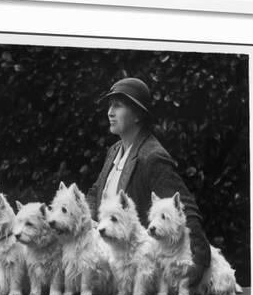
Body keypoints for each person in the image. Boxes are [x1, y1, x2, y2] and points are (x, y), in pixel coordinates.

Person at [86, 77, 211, 283]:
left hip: (138, 270)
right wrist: (84, 216)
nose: (110, 112)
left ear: (137, 115)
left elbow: (185, 208)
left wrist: (199, 263)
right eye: (110, 105)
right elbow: (96, 191)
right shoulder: (115, 151)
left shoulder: (152, 157)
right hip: (109, 261)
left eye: (118, 106)